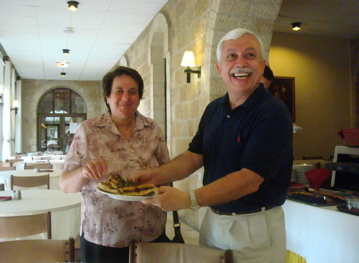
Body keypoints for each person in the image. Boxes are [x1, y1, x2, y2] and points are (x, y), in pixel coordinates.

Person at [131, 28, 293, 263]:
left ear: (261, 64)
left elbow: (250, 179)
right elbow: (194, 157)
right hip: (214, 220)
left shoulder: (273, 112)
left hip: (254, 228)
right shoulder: (214, 109)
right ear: (219, 68)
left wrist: (188, 199)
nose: (241, 63)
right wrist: (155, 175)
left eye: (249, 55)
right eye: (231, 56)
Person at [59, 66, 170, 263]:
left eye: (132, 91)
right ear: (107, 97)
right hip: (102, 237)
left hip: (149, 233)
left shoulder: (152, 129)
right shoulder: (88, 130)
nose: (125, 97)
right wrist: (84, 171)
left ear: (139, 96)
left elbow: (167, 174)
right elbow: (66, 185)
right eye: (119, 91)